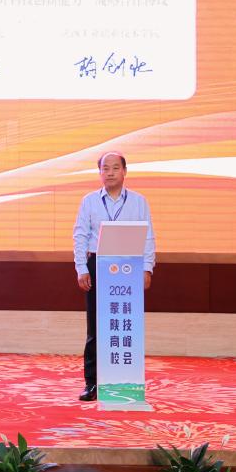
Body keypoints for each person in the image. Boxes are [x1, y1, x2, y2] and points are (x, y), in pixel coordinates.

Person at [72, 151, 155, 401]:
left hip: (129, 266)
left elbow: (148, 237)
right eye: (105, 168)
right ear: (100, 173)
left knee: (124, 324)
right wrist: (81, 268)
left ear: (124, 171)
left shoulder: (139, 202)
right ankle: (92, 383)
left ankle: (124, 383)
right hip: (98, 265)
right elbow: (80, 235)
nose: (110, 173)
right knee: (96, 328)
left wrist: (147, 268)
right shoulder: (89, 201)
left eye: (115, 168)